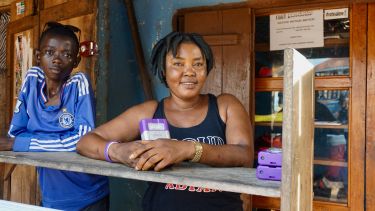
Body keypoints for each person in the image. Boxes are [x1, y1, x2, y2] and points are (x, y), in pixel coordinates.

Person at [77, 31, 253, 210]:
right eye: (178, 64)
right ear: (163, 70)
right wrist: (118, 151)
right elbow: (86, 142)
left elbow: (244, 155)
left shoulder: (225, 106)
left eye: (198, 64)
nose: (190, 72)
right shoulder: (149, 111)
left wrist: (188, 149)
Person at [0, 22, 109, 210]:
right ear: (38, 56)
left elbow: (81, 140)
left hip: (88, 195)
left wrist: (23, 143)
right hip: (52, 195)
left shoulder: (78, 84)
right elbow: (15, 133)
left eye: (66, 55)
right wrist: (58, 139)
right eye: (50, 52)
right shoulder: (32, 80)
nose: (57, 60)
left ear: (75, 61)